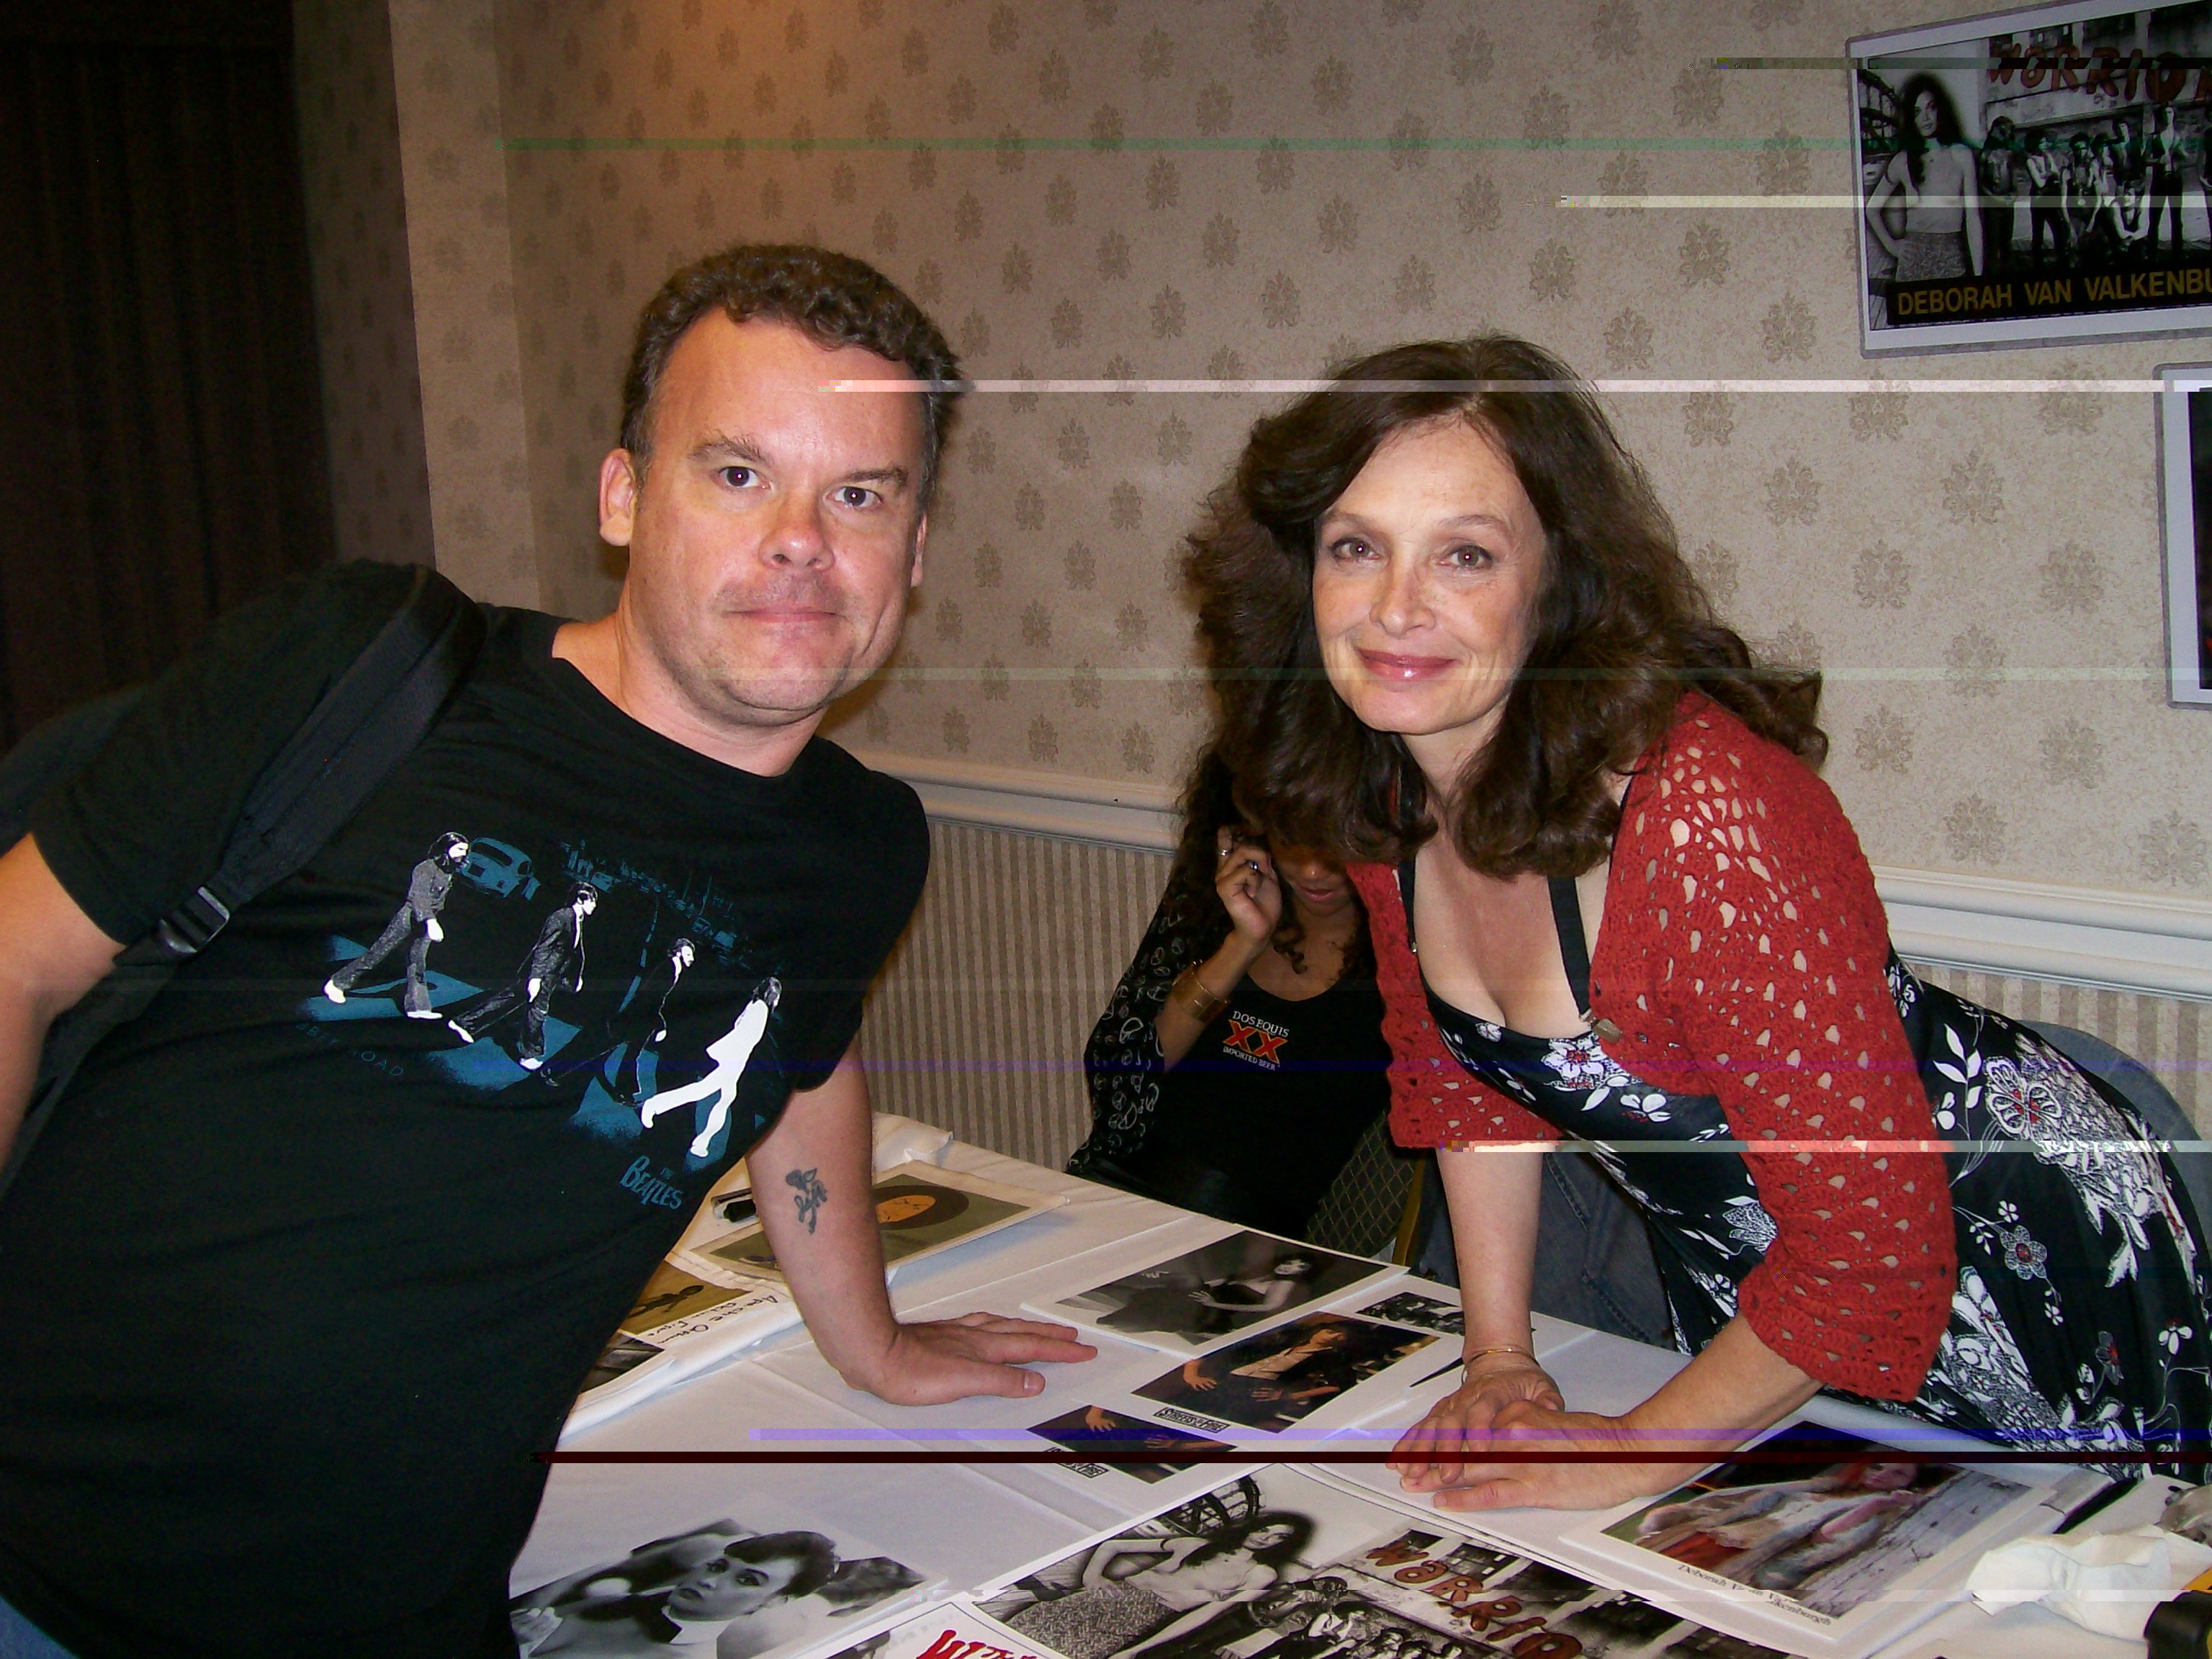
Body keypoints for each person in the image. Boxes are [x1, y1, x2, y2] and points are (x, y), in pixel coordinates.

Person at [0, 243, 1094, 1659]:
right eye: (739, 472)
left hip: (404, 1611)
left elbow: (801, 1064)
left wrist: (871, 1341)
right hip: (40, 1561)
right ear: (623, 497)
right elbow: (16, 960)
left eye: (861, 494)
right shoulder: (361, 665)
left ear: (917, 550)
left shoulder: (861, 847)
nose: (801, 541)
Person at [1182, 332, 2212, 1514]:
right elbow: (1468, 1088)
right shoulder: (1383, 792)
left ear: (1557, 585)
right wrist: (1499, 1358)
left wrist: (1625, 1454)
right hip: (1773, 1301)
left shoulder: (1704, 814)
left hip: (2003, 1249)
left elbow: (1870, 1251)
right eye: (1356, 546)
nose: (1395, 606)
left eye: (1464, 553)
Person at [1070, 748, 1391, 1237]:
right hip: (1112, 1199)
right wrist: (1242, 945)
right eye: (1291, 836)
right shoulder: (1220, 904)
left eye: (1334, 841)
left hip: (1243, 1244)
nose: (1311, 870)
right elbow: (1119, 1090)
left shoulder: (1407, 957)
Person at [1003, 1515, 1315, 1659]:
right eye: (1264, 1529)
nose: (1265, 1538)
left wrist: (1136, 1651)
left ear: (1284, 1544)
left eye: (1278, 1537)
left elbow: (1201, 1616)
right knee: (1017, 1636)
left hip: (1135, 1621)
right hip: (1100, 1599)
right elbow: (1112, 1545)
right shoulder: (1194, 1545)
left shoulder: (1260, 1575)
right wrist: (1093, 1577)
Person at [510, 1527, 837, 1655]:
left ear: (777, 1600)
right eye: (718, 1567)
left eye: (747, 1580)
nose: (709, 1581)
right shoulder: (614, 1604)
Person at [446, 880, 601, 1069]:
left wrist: (575, 979)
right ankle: (529, 1055)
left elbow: (574, 952)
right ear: (580, 899)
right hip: (541, 973)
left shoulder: (577, 919)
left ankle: (463, 1023)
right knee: (537, 1012)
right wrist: (535, 978)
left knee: (508, 999)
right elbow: (543, 948)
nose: (594, 905)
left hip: (550, 974)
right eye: (592, 901)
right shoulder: (561, 917)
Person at [322, 828, 470, 1015]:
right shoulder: (425, 868)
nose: (463, 854)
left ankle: (418, 1008)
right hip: (408, 918)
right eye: (459, 849)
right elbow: (419, 897)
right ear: (446, 847)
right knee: (377, 954)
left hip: (425, 922)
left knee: (417, 963)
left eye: (465, 850)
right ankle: (337, 983)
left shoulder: (449, 872)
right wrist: (431, 922)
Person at [1863, 76, 1982, 281]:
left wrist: (1980, 276)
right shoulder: (1903, 161)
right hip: (1912, 263)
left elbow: (1973, 218)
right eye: (1917, 112)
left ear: (1940, 110)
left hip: (1952, 259)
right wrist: (1892, 246)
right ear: (1911, 118)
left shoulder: (1961, 155)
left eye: (1931, 108)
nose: (1926, 118)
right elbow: (1871, 209)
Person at [1975, 115, 2018, 271]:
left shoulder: (2008, 154)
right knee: (1992, 246)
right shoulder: (1984, 154)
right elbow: (1980, 184)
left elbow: (2013, 179)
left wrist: (2013, 195)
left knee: (2007, 243)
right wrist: (1995, 199)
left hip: (2007, 204)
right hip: (1992, 207)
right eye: (2003, 131)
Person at [2023, 130, 2068, 264]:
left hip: (2050, 198)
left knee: (2058, 228)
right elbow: (2040, 183)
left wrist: (2048, 173)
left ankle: (2062, 256)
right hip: (2039, 199)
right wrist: (2049, 174)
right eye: (2041, 142)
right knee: (2038, 231)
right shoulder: (2030, 161)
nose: (2045, 145)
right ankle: (2037, 260)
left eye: (2045, 142)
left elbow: (2056, 173)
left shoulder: (2047, 157)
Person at [2150, 102, 2188, 255]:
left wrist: (2182, 153)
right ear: (2160, 116)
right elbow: (2144, 158)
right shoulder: (2154, 137)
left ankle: (2178, 251)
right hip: (2159, 181)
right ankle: (2152, 251)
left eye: (2170, 113)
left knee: (2176, 217)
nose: (2167, 116)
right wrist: (2157, 160)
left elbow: (2187, 157)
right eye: (2164, 113)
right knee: (2154, 217)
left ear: (2174, 115)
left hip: (2175, 180)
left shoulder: (2179, 136)